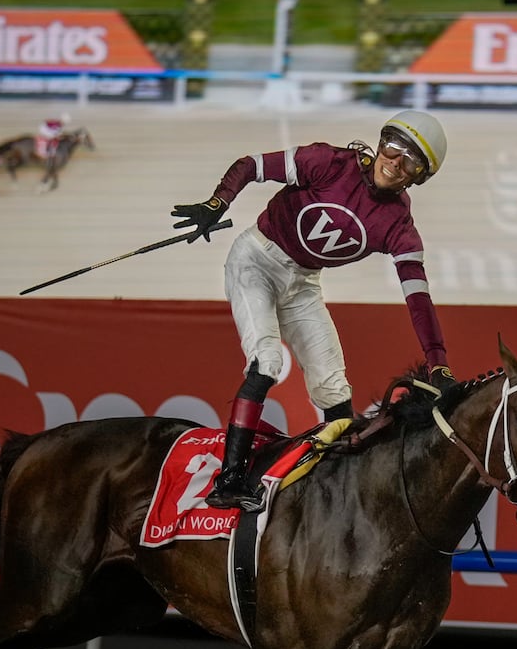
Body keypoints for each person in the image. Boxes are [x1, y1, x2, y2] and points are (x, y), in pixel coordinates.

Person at [172, 109, 456, 512]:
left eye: (411, 160)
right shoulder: (329, 162)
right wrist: (218, 202)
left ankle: (334, 481)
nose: (395, 162)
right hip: (255, 259)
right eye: (394, 148)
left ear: (418, 176)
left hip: (302, 282)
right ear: (381, 142)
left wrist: (438, 362)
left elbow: (418, 299)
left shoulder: (399, 225)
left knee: (334, 388)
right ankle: (229, 480)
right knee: (267, 361)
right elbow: (251, 166)